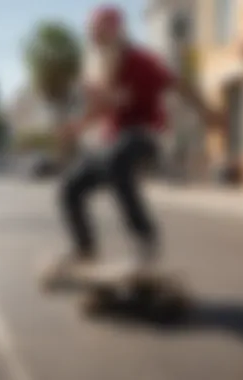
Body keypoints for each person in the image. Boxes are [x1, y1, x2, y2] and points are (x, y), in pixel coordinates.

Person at [40, 4, 223, 284]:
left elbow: (179, 84)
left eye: (100, 35)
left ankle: (145, 243)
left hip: (146, 136)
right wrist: (77, 127)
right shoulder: (99, 69)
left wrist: (206, 111)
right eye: (92, 36)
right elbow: (100, 110)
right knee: (70, 187)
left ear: (116, 33)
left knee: (117, 160)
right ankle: (85, 249)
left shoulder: (141, 60)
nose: (96, 42)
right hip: (113, 142)